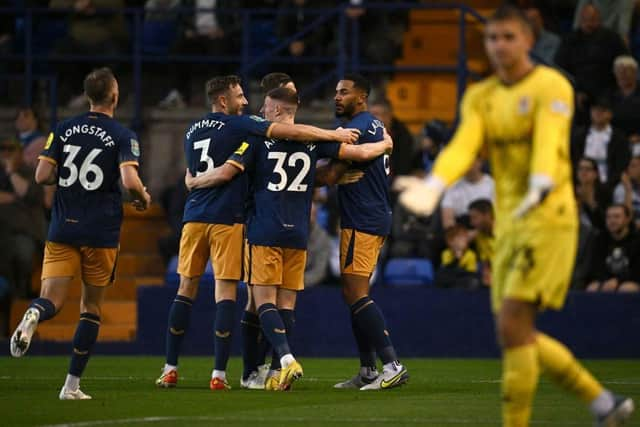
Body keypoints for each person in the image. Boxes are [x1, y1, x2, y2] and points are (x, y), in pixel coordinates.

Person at [398, 5, 634, 426]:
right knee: (514, 334)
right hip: (508, 222)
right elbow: (464, 144)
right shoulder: (481, 96)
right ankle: (603, 404)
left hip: (548, 215)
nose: (500, 45)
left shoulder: (551, 86)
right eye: (493, 38)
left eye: (509, 37)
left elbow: (549, 140)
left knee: (512, 324)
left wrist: (541, 182)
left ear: (528, 40)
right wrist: (434, 185)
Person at [154, 75, 359, 390]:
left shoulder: (203, 130)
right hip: (283, 229)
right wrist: (378, 144)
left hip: (220, 219)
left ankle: (177, 367)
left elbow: (226, 171)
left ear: (276, 109)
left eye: (263, 105)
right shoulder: (246, 127)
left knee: (216, 294)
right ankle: (239, 374)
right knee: (275, 302)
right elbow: (338, 163)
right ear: (224, 100)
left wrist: (193, 183)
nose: (251, 106)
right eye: (240, 96)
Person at [9, 67, 151, 400]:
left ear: (88, 96)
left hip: (62, 227)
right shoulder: (122, 135)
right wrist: (143, 197)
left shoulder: (62, 128)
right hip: (100, 231)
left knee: (52, 300)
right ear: (114, 96)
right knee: (90, 309)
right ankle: (71, 385)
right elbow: (130, 183)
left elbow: (43, 175)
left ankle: (34, 313)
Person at [328, 74, 408, 391]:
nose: (337, 96)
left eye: (344, 92)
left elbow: (331, 156)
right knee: (353, 292)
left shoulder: (359, 126)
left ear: (361, 97)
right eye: (335, 91)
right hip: (369, 216)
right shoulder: (375, 128)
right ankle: (368, 370)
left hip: (363, 218)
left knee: (356, 292)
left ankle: (392, 365)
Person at [0, 138, 46, 298]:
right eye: (2, 149)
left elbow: (29, 194)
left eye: (10, 149)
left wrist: (11, 172)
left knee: (23, 252)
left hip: (23, 231)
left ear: (20, 152)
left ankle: (20, 293)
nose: (5, 153)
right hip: (2, 230)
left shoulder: (31, 173)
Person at [570, 97, 629, 189]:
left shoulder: (619, 138)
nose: (598, 113)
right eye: (594, 110)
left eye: (602, 111)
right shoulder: (580, 136)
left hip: (610, 184)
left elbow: (621, 166)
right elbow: (573, 159)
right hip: (580, 182)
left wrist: (608, 185)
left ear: (610, 114)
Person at [586, 204, 640, 293]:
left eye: (617, 217)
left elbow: (637, 271)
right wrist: (605, 281)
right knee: (592, 288)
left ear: (627, 219)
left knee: (625, 289)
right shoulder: (600, 239)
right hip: (606, 281)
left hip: (631, 282)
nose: (612, 221)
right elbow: (596, 267)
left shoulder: (637, 240)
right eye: (608, 217)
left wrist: (618, 280)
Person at [369, 98, 422, 178]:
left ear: (391, 115)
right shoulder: (362, 134)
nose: (380, 119)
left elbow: (403, 168)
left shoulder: (403, 137)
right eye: (375, 114)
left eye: (384, 114)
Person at [440, 157, 495, 229]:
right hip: (462, 231)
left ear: (480, 162)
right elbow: (448, 219)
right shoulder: (452, 187)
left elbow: (498, 217)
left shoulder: (493, 185)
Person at [610, 55, 640, 146]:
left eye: (626, 71)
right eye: (619, 71)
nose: (622, 74)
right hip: (616, 141)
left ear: (635, 73)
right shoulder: (610, 94)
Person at [613, 156, 640, 229]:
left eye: (633, 166)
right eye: (629, 166)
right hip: (631, 231)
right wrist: (628, 190)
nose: (628, 169)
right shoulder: (621, 188)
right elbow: (624, 218)